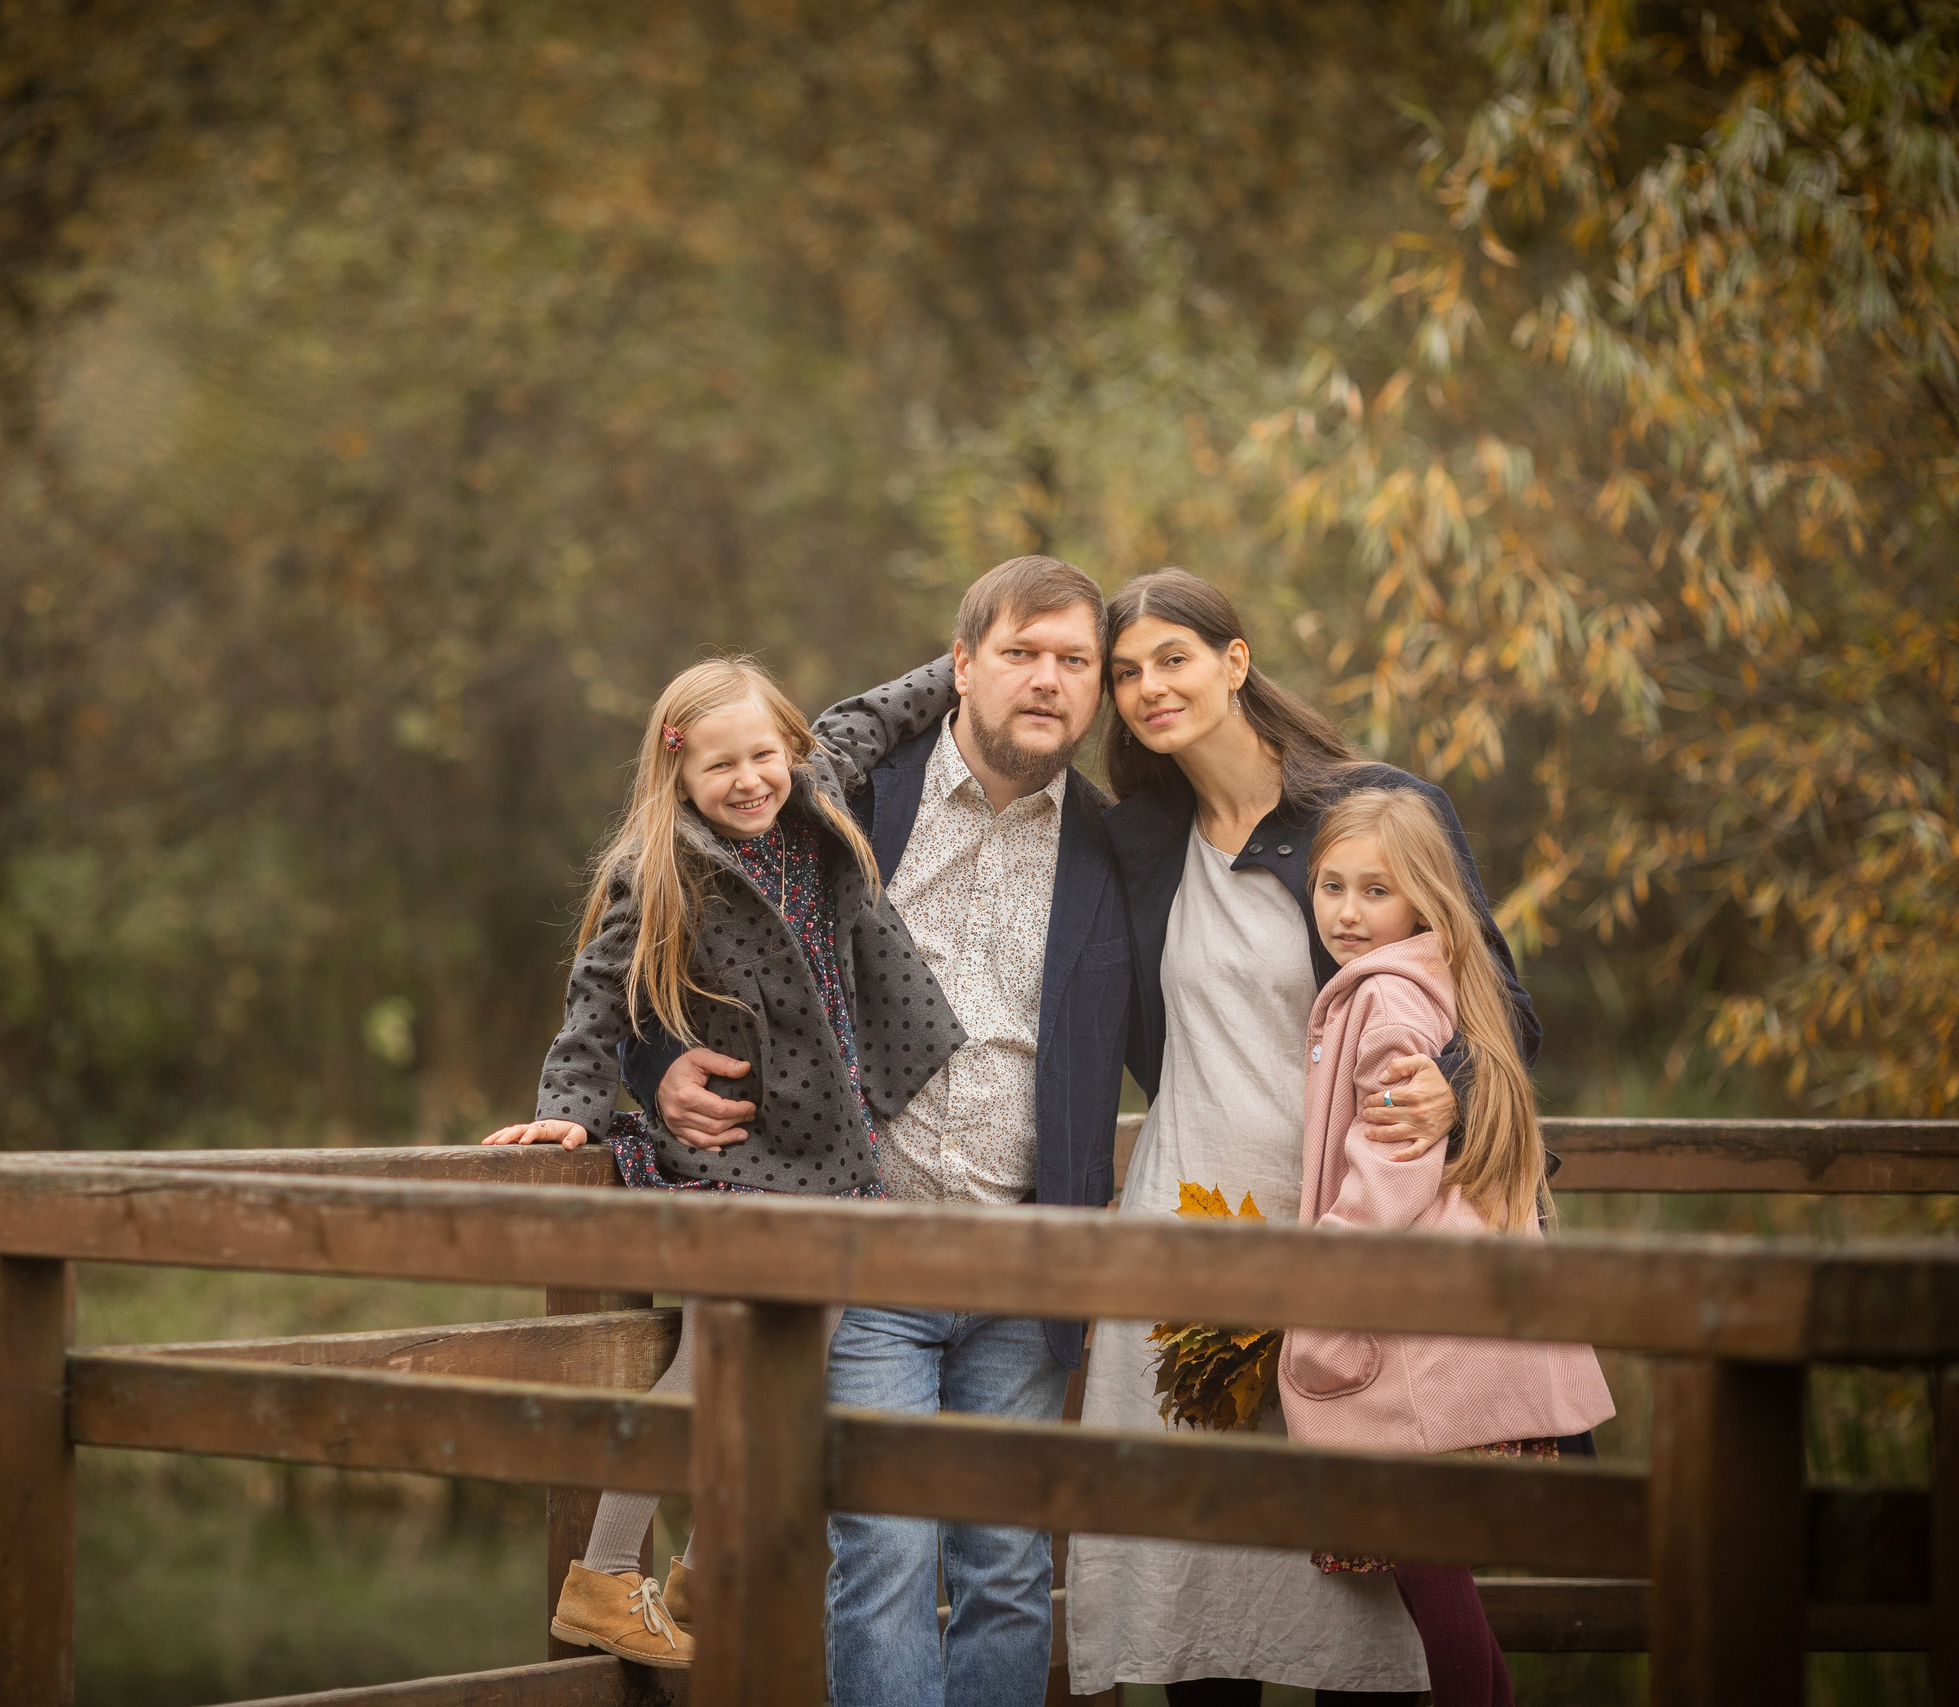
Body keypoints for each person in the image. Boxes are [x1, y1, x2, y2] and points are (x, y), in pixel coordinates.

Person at [627, 556, 1138, 1707]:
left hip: (1028, 1256)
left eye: (1074, 663)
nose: (1046, 682)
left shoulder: (1119, 850)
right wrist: (656, 1065)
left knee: (1007, 1567)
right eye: (1020, 654)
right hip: (865, 1250)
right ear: (960, 666)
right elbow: (669, 922)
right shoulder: (848, 796)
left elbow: (1210, 1018)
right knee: (885, 1557)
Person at [1067, 568, 1536, 1703]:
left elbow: (1494, 1003)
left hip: (1345, 1224)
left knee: (1362, 1587)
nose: (1146, 688)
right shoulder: (1138, 839)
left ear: (1235, 662)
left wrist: (1453, 1089)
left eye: (1172, 658)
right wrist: (968, 649)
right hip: (1189, 1223)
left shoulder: (1369, 810)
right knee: (1200, 1572)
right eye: (1123, 673)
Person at [481, 653, 962, 1669]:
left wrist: (965, 663)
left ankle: (700, 1573)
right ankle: (605, 1578)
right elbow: (594, 1002)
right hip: (736, 1159)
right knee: (709, 1367)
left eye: (762, 756)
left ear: (789, 748)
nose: (748, 781)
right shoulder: (663, 867)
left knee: (795, 1369)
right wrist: (565, 1111)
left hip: (830, 1154)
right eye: (719, 769)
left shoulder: (814, 788)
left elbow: (875, 714)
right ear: (678, 778)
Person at [1279, 787, 1614, 1707]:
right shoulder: (1436, 978)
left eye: (1374, 890)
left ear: (1422, 896)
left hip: (1406, 1347)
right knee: (1444, 1588)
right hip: (1439, 1337)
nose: (1346, 911)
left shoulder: (1385, 996)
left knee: (1436, 1589)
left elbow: (1390, 1162)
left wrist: (1319, 1278)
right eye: (1330, 886)